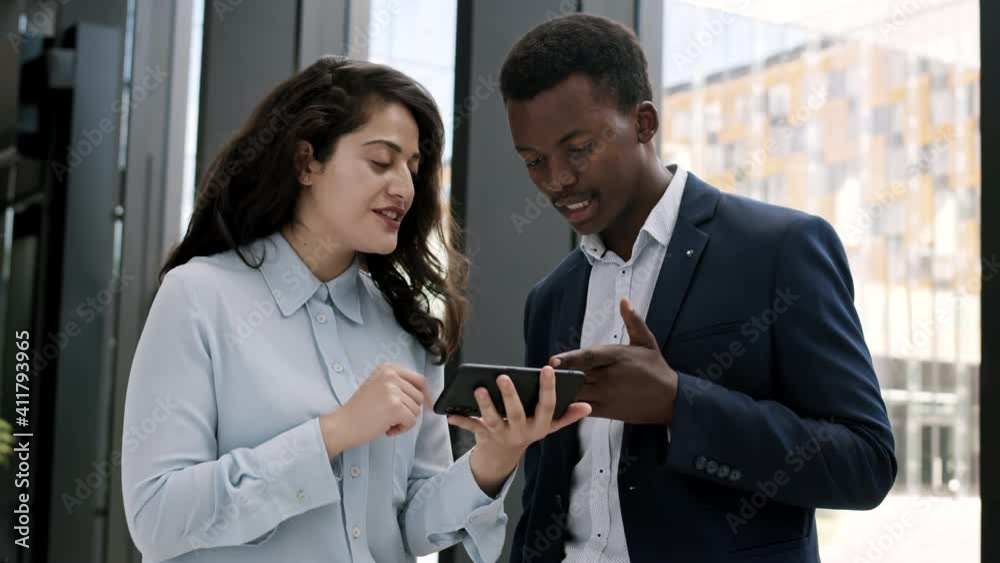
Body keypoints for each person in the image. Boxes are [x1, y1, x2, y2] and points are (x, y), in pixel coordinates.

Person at [121, 56, 587, 563]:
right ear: (306, 163)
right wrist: (335, 433)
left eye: (412, 168)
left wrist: (494, 458)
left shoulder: (406, 328)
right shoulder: (198, 297)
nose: (405, 189)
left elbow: (409, 527)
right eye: (381, 161)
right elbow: (157, 518)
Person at [500, 14, 897, 563]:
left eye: (578, 149)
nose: (556, 180)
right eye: (534, 162)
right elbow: (547, 496)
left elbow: (865, 463)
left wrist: (679, 404)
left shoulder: (780, 250)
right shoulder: (549, 298)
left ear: (643, 123)